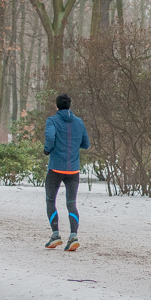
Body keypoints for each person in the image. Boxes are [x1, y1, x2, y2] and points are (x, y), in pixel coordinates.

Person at [43, 94, 90, 251]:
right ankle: (73, 236)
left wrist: (47, 149)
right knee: (71, 204)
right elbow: (86, 144)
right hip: (73, 169)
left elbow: (50, 137)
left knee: (50, 200)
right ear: (70, 106)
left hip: (56, 167)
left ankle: (55, 235)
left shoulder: (52, 120)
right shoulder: (79, 122)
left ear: (56, 106)